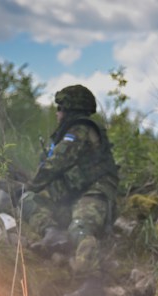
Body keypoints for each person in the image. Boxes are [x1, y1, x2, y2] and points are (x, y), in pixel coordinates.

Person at [23, 84, 119, 276]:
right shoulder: (68, 134)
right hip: (71, 200)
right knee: (27, 200)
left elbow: (56, 163)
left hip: (94, 195)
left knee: (80, 228)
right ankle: (53, 234)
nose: (57, 113)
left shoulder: (80, 130)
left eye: (60, 108)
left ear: (70, 110)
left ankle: (93, 281)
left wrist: (30, 185)